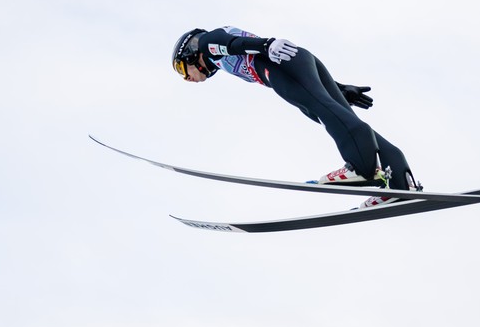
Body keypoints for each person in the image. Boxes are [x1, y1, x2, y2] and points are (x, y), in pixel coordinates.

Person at [171, 26, 421, 208]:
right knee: (329, 111)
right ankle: (399, 180)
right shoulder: (218, 58)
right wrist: (341, 89)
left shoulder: (207, 43)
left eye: (182, 69)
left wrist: (266, 45)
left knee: (321, 108)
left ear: (189, 52)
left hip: (278, 64)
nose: (187, 78)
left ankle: (362, 167)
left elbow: (233, 43)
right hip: (297, 61)